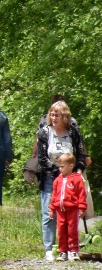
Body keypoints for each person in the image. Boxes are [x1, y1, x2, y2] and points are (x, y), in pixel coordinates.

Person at [36, 101, 87, 261]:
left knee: (70, 216)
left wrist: (77, 172)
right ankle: (49, 249)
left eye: (57, 114)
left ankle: (69, 249)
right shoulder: (44, 133)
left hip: (71, 180)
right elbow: (42, 158)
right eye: (51, 114)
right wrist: (58, 174)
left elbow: (80, 155)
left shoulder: (73, 133)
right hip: (51, 178)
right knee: (48, 212)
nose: (53, 117)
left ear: (65, 116)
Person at [49, 152, 88, 261]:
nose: (60, 169)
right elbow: (54, 195)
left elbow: (81, 194)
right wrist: (52, 208)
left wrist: (82, 207)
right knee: (61, 230)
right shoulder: (57, 180)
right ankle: (62, 251)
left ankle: (73, 251)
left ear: (71, 166)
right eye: (59, 167)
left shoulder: (77, 179)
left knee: (72, 229)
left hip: (72, 209)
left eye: (62, 167)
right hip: (60, 210)